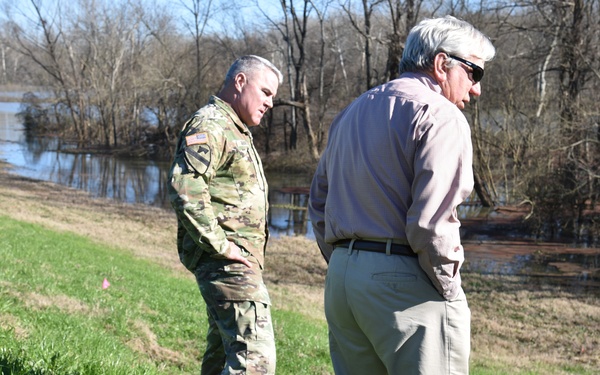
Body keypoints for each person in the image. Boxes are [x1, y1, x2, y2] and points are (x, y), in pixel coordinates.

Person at [308, 16, 496, 375]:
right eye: (474, 73)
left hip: (344, 282)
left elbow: (319, 203)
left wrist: (347, 262)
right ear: (443, 64)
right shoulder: (441, 116)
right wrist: (449, 289)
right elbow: (432, 223)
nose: (476, 89)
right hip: (404, 284)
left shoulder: (351, 111)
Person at [168, 55, 282, 375]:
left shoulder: (235, 128)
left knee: (223, 354)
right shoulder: (210, 124)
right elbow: (185, 189)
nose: (270, 102)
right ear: (240, 82)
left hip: (237, 262)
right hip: (227, 264)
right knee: (255, 360)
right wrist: (223, 246)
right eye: (266, 92)